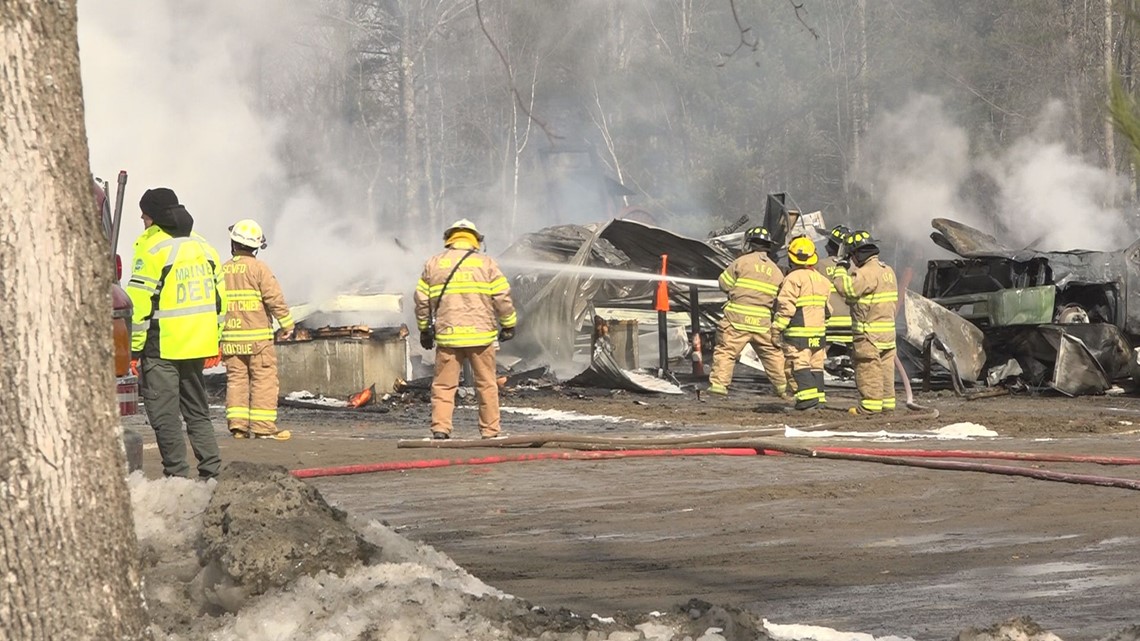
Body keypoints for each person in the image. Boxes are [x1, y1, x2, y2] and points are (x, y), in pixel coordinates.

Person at [125, 188, 225, 478]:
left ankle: (177, 478)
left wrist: (134, 350)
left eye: (144, 216)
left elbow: (140, 304)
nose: (143, 222)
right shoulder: (204, 247)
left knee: (165, 416)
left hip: (163, 349)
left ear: (153, 218)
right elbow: (221, 299)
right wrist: (216, 338)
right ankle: (211, 475)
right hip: (197, 346)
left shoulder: (153, 249)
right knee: (198, 413)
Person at [414, 219, 517, 440]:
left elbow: (422, 301)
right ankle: (490, 431)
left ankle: (440, 428)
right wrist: (508, 324)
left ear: (450, 238)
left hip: (448, 336)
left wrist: (424, 330)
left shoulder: (434, 264)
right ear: (475, 239)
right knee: (487, 385)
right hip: (481, 337)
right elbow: (502, 297)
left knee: (443, 386)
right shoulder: (486, 264)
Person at [220, 219, 295, 440]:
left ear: (233, 243)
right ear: (255, 247)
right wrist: (287, 324)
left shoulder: (224, 269)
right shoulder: (259, 268)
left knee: (236, 381)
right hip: (258, 342)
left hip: (231, 340)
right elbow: (274, 298)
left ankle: (238, 427)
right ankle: (263, 428)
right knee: (264, 380)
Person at [708, 226, 788, 399]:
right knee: (772, 354)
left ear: (749, 243)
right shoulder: (776, 270)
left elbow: (724, 284)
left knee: (726, 351)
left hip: (737, 319)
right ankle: (783, 388)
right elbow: (780, 298)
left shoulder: (740, 262)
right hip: (762, 323)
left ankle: (719, 387)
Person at [831, 230, 899, 414]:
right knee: (885, 369)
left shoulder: (866, 273)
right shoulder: (888, 270)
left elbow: (846, 289)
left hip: (868, 333)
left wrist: (840, 267)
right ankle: (887, 405)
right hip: (887, 332)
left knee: (868, 368)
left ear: (856, 254)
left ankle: (869, 407)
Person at [773, 236, 832, 410]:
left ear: (791, 258)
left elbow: (786, 307)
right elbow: (828, 310)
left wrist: (777, 328)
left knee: (798, 363)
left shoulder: (792, 279)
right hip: (818, 333)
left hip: (798, 334)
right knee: (816, 364)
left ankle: (807, 400)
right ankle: (819, 399)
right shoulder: (823, 280)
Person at [816, 224, 853, 352]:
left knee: (819, 357)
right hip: (851, 324)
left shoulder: (820, 265)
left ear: (830, 246)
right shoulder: (855, 268)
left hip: (828, 324)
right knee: (857, 360)